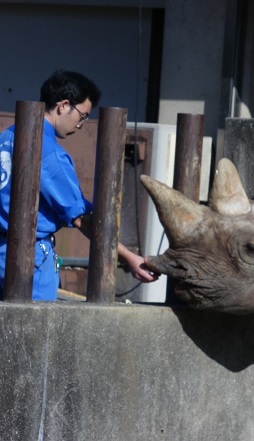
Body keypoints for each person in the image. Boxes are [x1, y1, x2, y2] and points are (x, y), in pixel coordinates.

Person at [0, 69, 159, 301]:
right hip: (28, 262)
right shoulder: (50, 154)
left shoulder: (6, 137)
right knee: (35, 332)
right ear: (63, 105)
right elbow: (81, 218)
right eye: (82, 115)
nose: (81, 124)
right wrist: (128, 257)